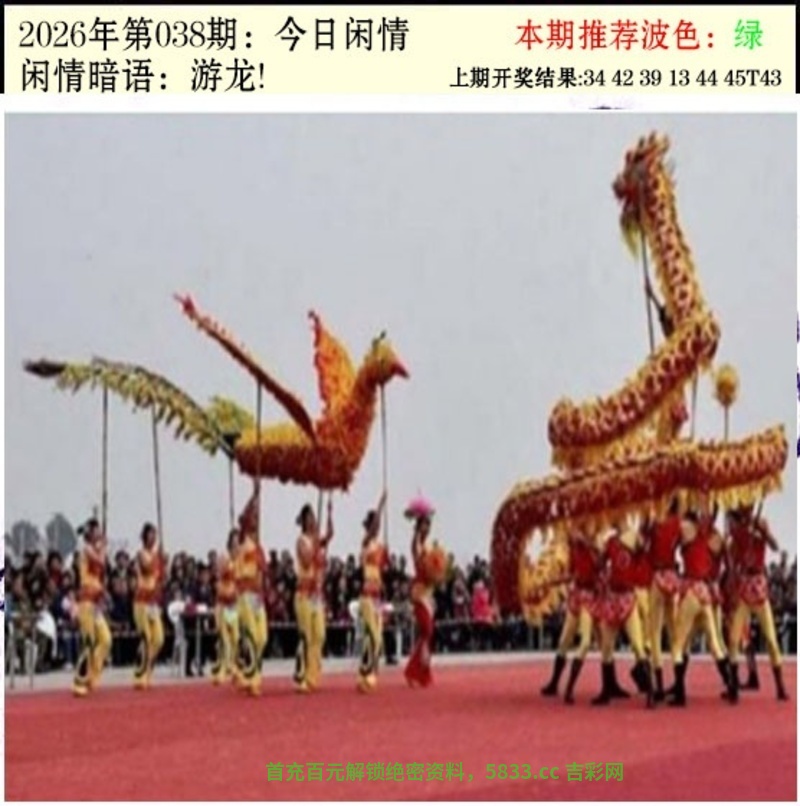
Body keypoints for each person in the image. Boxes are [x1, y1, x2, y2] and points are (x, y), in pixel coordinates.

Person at [667, 508, 736, 706]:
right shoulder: (716, 538)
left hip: (691, 590)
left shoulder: (687, 528)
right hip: (706, 592)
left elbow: (671, 546)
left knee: (678, 644)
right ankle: (731, 685)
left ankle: (680, 693)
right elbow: (728, 566)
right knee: (714, 643)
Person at [726, 506, 789, 702]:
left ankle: (780, 685)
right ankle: (733, 685)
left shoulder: (761, 524)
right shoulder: (737, 532)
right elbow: (733, 562)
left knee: (771, 638)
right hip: (744, 587)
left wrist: (763, 532)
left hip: (759, 586)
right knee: (734, 638)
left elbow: (775, 546)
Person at [592, 522, 653, 707]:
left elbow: (644, 550)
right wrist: (594, 547)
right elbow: (600, 564)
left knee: (637, 645)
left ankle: (651, 692)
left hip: (627, 598)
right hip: (613, 598)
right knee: (606, 647)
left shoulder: (633, 537)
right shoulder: (611, 541)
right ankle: (607, 690)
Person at [540, 529, 601, 704]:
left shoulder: (595, 546)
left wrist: (588, 544)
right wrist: (554, 581)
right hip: (577, 597)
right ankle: (554, 683)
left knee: (586, 642)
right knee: (564, 641)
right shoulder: (574, 549)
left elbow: (599, 565)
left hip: (589, 598)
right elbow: (573, 574)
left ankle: (569, 687)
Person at [642, 500, 682, 702]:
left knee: (655, 633)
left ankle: (658, 685)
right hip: (672, 577)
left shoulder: (655, 522)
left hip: (658, 577)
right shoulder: (678, 523)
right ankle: (679, 686)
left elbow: (643, 545)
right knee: (674, 634)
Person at [294, 498, 334, 693]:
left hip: (316, 596)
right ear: (303, 521)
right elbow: (306, 560)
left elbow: (330, 535)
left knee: (320, 634)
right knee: (307, 636)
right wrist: (316, 546)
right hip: (304, 594)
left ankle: (312, 673)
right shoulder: (302, 540)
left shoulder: (317, 540)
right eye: (308, 517)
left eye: (313, 517)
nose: (312, 520)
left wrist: (329, 513)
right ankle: (303, 676)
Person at [404, 497, 443, 688]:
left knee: (428, 633)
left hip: (428, 593)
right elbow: (420, 565)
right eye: (425, 525)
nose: (428, 529)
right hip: (419, 593)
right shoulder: (417, 545)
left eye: (429, 526)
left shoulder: (427, 547)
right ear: (419, 527)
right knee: (426, 630)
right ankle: (413, 671)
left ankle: (421, 671)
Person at [72, 519, 112, 697]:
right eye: (96, 531)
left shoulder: (95, 549)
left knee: (105, 639)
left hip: (95, 603)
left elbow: (101, 570)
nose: (99, 533)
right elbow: (100, 562)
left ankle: (92, 674)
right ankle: (79, 681)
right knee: (89, 642)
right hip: (86, 601)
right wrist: (103, 548)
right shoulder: (87, 549)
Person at [235, 490, 269, 697]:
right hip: (244, 595)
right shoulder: (242, 539)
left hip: (257, 597)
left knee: (262, 637)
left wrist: (264, 593)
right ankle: (253, 678)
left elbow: (262, 573)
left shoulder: (259, 547)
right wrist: (254, 496)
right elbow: (244, 518)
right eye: (253, 518)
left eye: (257, 517)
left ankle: (247, 668)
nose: (255, 520)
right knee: (253, 636)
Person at [358, 491, 388, 692]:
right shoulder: (366, 543)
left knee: (377, 638)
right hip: (367, 596)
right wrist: (381, 505)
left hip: (377, 596)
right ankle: (367, 675)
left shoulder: (378, 546)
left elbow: (381, 569)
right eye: (375, 524)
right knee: (372, 637)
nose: (377, 527)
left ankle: (369, 672)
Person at [132, 523, 165, 689]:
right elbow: (146, 569)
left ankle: (147, 669)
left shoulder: (155, 555)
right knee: (146, 639)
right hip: (141, 601)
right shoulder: (141, 554)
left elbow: (160, 578)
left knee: (158, 639)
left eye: (154, 534)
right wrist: (158, 559)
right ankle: (141, 675)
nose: (153, 537)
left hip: (152, 602)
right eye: (150, 534)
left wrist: (164, 564)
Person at [211, 529, 240, 686]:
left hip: (233, 605)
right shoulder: (224, 557)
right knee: (224, 639)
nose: (236, 544)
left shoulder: (240, 560)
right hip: (222, 603)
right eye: (234, 540)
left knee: (235, 638)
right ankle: (221, 669)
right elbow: (219, 576)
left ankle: (234, 667)